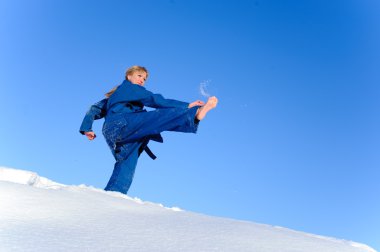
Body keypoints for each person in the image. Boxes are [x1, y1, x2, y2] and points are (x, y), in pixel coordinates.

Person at [79, 66, 218, 194]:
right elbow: (154, 99)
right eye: (139, 76)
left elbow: (94, 109)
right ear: (129, 76)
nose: (142, 80)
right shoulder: (130, 88)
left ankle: (113, 194)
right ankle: (194, 115)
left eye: (144, 79)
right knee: (156, 117)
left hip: (113, 133)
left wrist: (87, 128)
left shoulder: (114, 96)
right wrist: (187, 105)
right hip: (123, 123)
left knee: (126, 162)